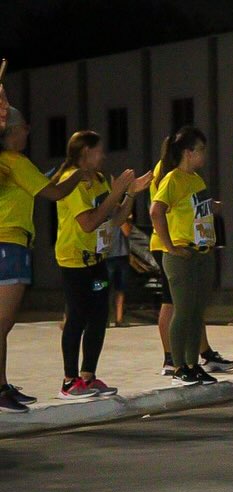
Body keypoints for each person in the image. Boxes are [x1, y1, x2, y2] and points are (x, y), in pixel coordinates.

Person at [0, 107, 92, 412]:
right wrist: (78, 174)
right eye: (25, 126)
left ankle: (3, 384)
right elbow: (53, 193)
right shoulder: (14, 161)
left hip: (10, 243)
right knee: (2, 323)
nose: (28, 130)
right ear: (12, 130)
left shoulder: (9, 164)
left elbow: (38, 183)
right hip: (9, 244)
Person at [52, 130, 151, 399]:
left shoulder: (98, 180)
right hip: (75, 261)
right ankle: (69, 381)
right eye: (99, 151)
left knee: (98, 315)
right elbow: (89, 223)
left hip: (97, 260)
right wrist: (116, 191)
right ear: (86, 153)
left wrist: (130, 194)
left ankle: (88, 376)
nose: (104, 156)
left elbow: (115, 220)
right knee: (77, 316)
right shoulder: (70, 180)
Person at [149, 137, 233, 376]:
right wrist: (171, 246)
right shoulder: (171, 178)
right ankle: (178, 365)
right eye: (201, 150)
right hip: (180, 253)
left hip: (200, 252)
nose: (204, 155)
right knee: (181, 310)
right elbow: (156, 211)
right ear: (187, 152)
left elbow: (197, 209)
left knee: (195, 311)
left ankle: (193, 363)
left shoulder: (195, 179)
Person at [105, 213, 133, 327]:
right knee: (103, 287)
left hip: (122, 255)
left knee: (121, 288)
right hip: (107, 256)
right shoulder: (103, 214)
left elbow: (127, 231)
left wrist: (124, 217)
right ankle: (105, 318)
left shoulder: (122, 215)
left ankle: (119, 318)